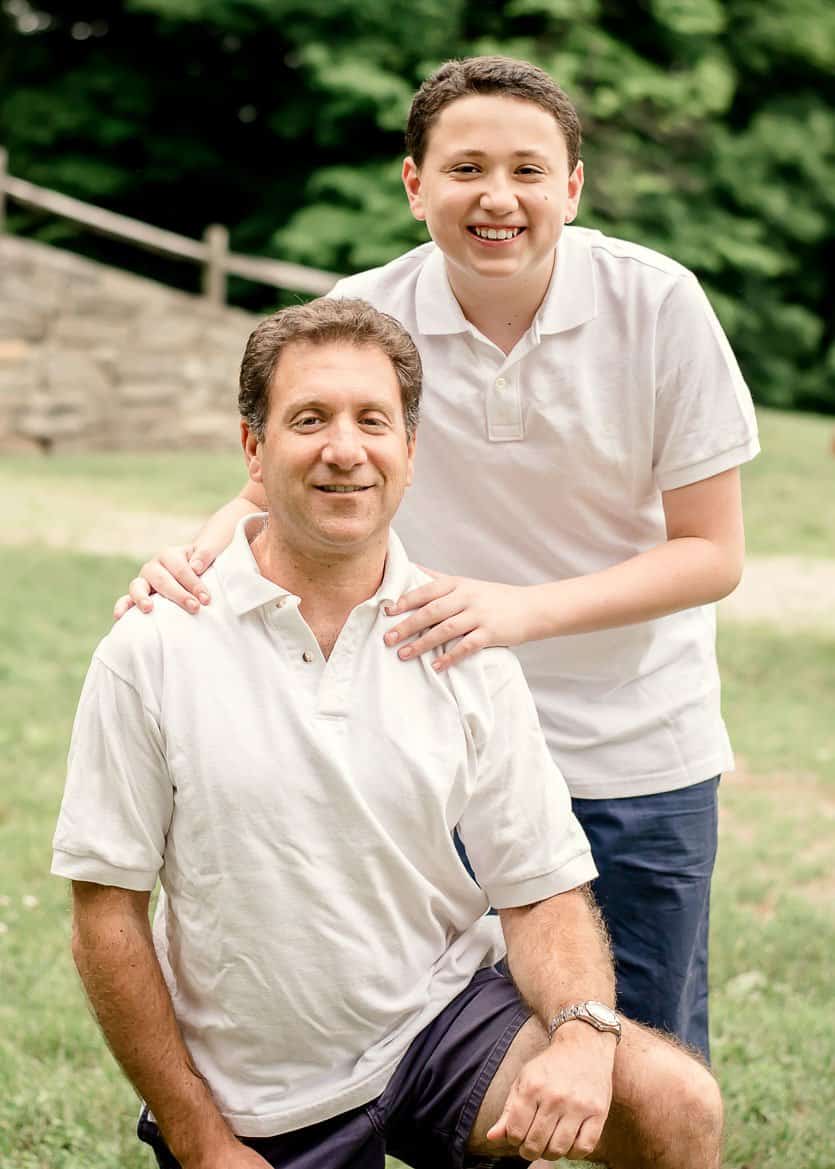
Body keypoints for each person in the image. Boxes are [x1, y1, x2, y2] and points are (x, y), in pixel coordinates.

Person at [115, 57, 760, 1060]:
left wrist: (516, 611)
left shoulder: (657, 304)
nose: (496, 197)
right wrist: (184, 565)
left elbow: (711, 552)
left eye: (528, 170)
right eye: (464, 168)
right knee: (455, 1056)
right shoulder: (366, 312)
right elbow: (264, 491)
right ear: (414, 184)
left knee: (647, 1061)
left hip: (640, 750)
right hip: (438, 741)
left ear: (572, 187)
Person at [53, 299, 722, 1169]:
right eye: (308, 419)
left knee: (674, 1101)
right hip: (258, 1086)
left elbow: (539, 887)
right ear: (253, 450)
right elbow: (106, 912)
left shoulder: (461, 644)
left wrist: (584, 1035)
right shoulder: (154, 646)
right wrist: (199, 1133)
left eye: (373, 420)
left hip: (435, 1024)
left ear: (410, 453)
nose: (344, 448)